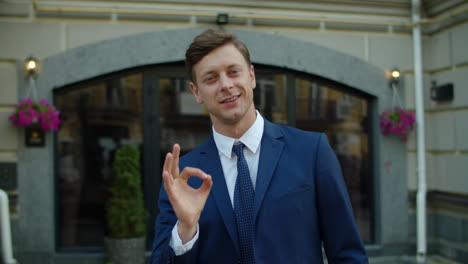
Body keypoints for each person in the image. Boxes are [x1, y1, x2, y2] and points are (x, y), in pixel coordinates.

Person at [149, 29, 368, 264]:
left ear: (251, 76)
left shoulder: (311, 151)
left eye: (233, 72)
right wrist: (185, 229)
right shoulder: (182, 176)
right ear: (196, 92)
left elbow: (348, 253)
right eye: (211, 78)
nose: (225, 85)